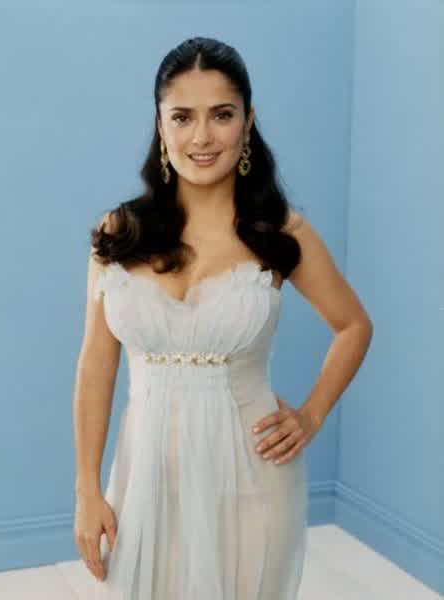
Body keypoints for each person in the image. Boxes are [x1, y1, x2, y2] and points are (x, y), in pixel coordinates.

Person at [73, 36, 373, 600]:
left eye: (222, 115)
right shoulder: (120, 233)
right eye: (183, 117)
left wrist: (311, 416)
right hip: (147, 474)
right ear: (161, 125)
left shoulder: (280, 233)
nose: (202, 137)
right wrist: (87, 489)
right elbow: (95, 367)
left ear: (248, 122)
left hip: (252, 477)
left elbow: (354, 326)